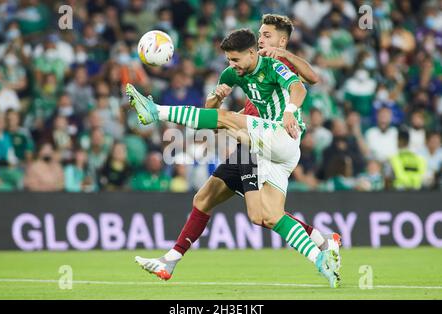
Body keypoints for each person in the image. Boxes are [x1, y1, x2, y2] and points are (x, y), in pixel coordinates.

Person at [127, 27, 340, 288]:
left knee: (232, 121)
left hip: (283, 137)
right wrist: (214, 100)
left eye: (236, 59)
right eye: (228, 59)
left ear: (252, 53)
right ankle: (321, 259)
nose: (231, 65)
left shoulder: (274, 66)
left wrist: (290, 110)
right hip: (262, 149)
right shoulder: (231, 74)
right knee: (268, 215)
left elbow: (301, 88)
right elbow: (213, 122)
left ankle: (155, 111)